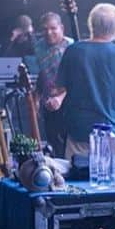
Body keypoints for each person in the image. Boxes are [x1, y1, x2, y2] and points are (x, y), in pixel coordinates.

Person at [52, 2, 115, 160]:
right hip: (109, 128)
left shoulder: (73, 51)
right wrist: (112, 106)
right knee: (106, 177)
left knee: (76, 179)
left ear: (91, 24)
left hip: (78, 129)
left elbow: (60, 89)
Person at [34, 12, 72, 154]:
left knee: (67, 143)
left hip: (69, 102)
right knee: (52, 142)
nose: (49, 32)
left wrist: (60, 97)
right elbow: (42, 73)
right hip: (48, 102)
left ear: (61, 28)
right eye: (45, 29)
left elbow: (77, 78)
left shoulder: (72, 47)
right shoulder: (39, 47)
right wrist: (37, 97)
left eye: (53, 28)